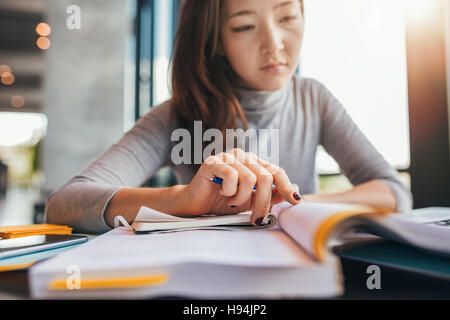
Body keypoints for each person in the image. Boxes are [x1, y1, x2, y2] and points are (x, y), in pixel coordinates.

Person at [45, 0, 413, 234]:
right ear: (216, 39)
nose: (275, 44)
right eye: (244, 26)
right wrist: (185, 200)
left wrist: (292, 205)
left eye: (287, 16)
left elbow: (393, 191)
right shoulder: (176, 115)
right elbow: (65, 204)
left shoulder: (312, 98)